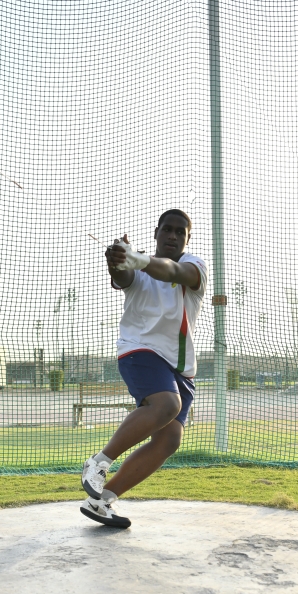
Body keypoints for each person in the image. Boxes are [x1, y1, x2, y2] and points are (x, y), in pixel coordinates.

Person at [80, 209, 207, 528]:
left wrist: (136, 258)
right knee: (167, 404)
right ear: (157, 232)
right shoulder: (138, 266)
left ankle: (102, 501)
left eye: (181, 232)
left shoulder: (194, 267)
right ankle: (97, 464)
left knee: (169, 441)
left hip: (181, 367)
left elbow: (172, 272)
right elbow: (123, 278)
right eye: (168, 230)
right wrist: (119, 262)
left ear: (187, 239)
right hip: (140, 351)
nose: (174, 236)